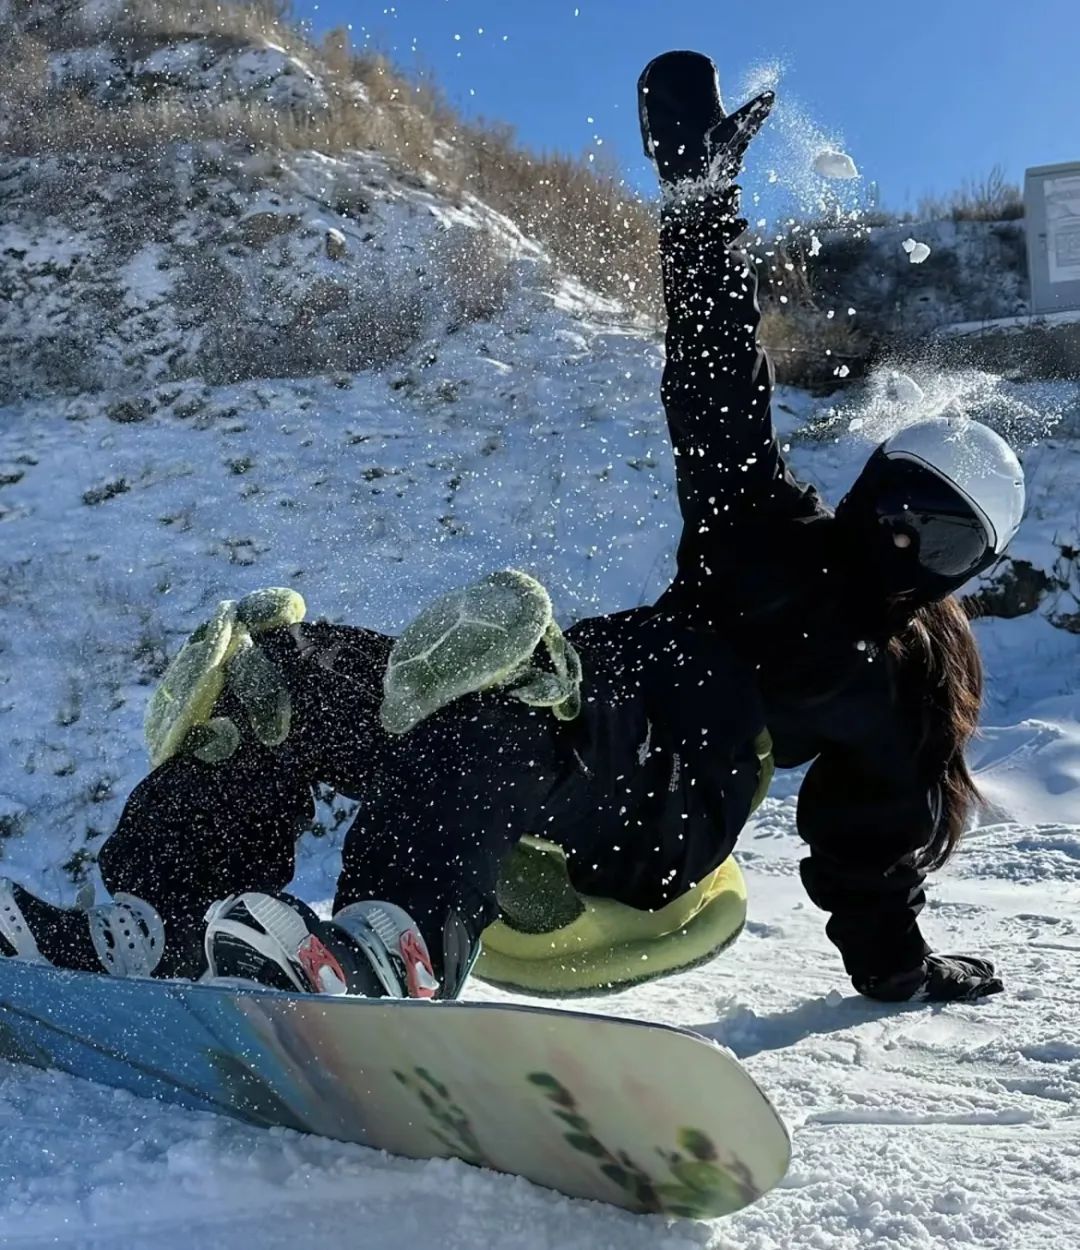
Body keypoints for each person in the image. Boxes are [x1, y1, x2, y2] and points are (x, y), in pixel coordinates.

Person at [0, 51, 1023, 1006]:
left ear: (963, 569)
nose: (903, 543)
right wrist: (700, 205)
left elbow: (870, 856)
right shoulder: (761, 523)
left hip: (665, 807)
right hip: (565, 708)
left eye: (939, 542)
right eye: (900, 506)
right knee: (284, 674)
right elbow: (715, 380)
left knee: (501, 695)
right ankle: (156, 923)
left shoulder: (890, 681)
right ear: (869, 485)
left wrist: (903, 971)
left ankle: (384, 951)